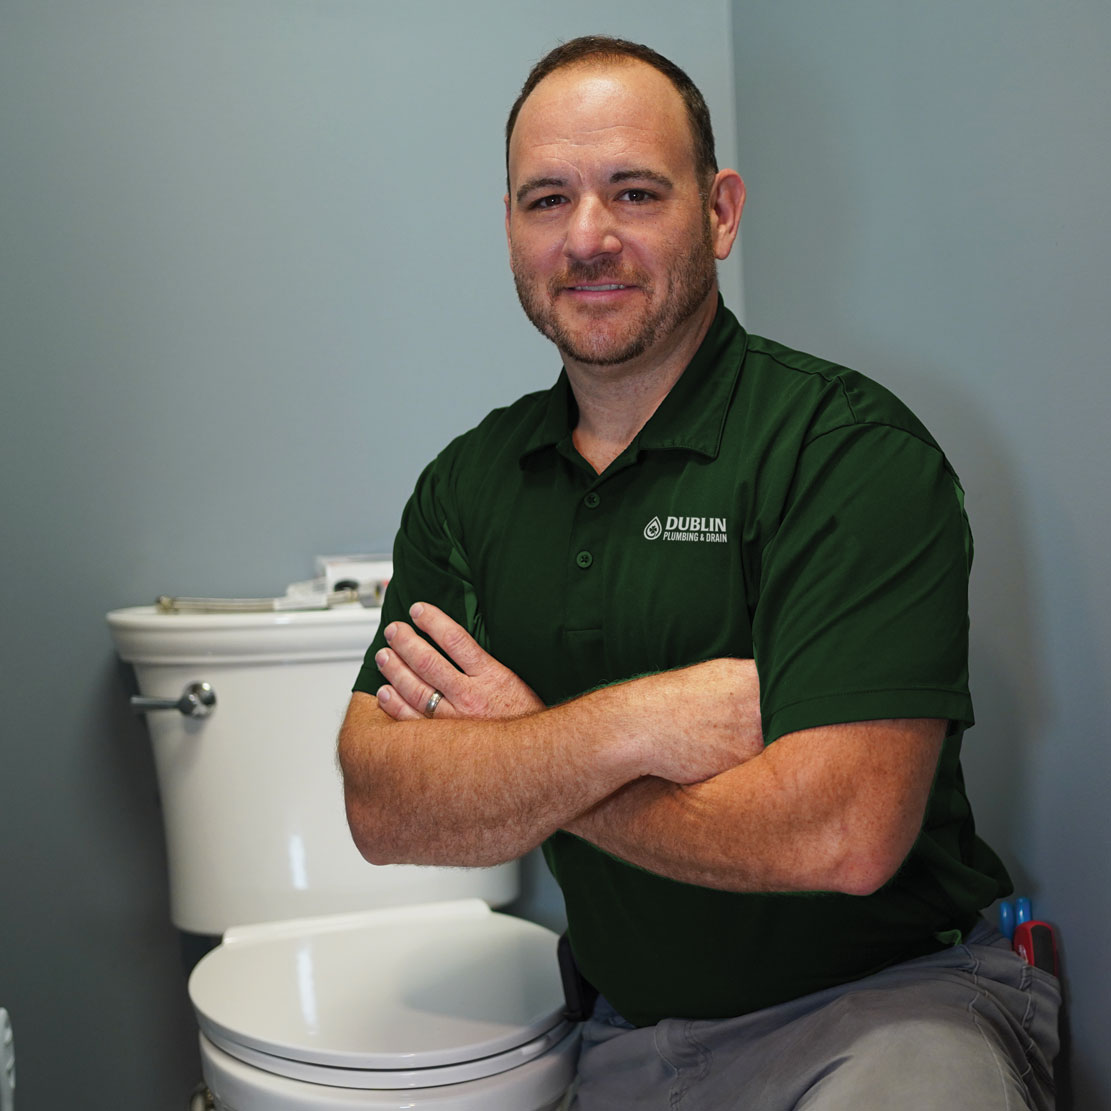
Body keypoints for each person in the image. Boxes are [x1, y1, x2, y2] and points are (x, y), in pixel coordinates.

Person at [338, 35, 1059, 1110]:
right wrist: (633, 727)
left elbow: (844, 832)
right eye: (546, 200)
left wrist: (519, 759)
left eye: (633, 191)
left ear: (718, 212)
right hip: (627, 1040)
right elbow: (383, 804)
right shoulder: (468, 487)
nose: (587, 237)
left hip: (890, 1011)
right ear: (508, 227)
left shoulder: (844, 452)